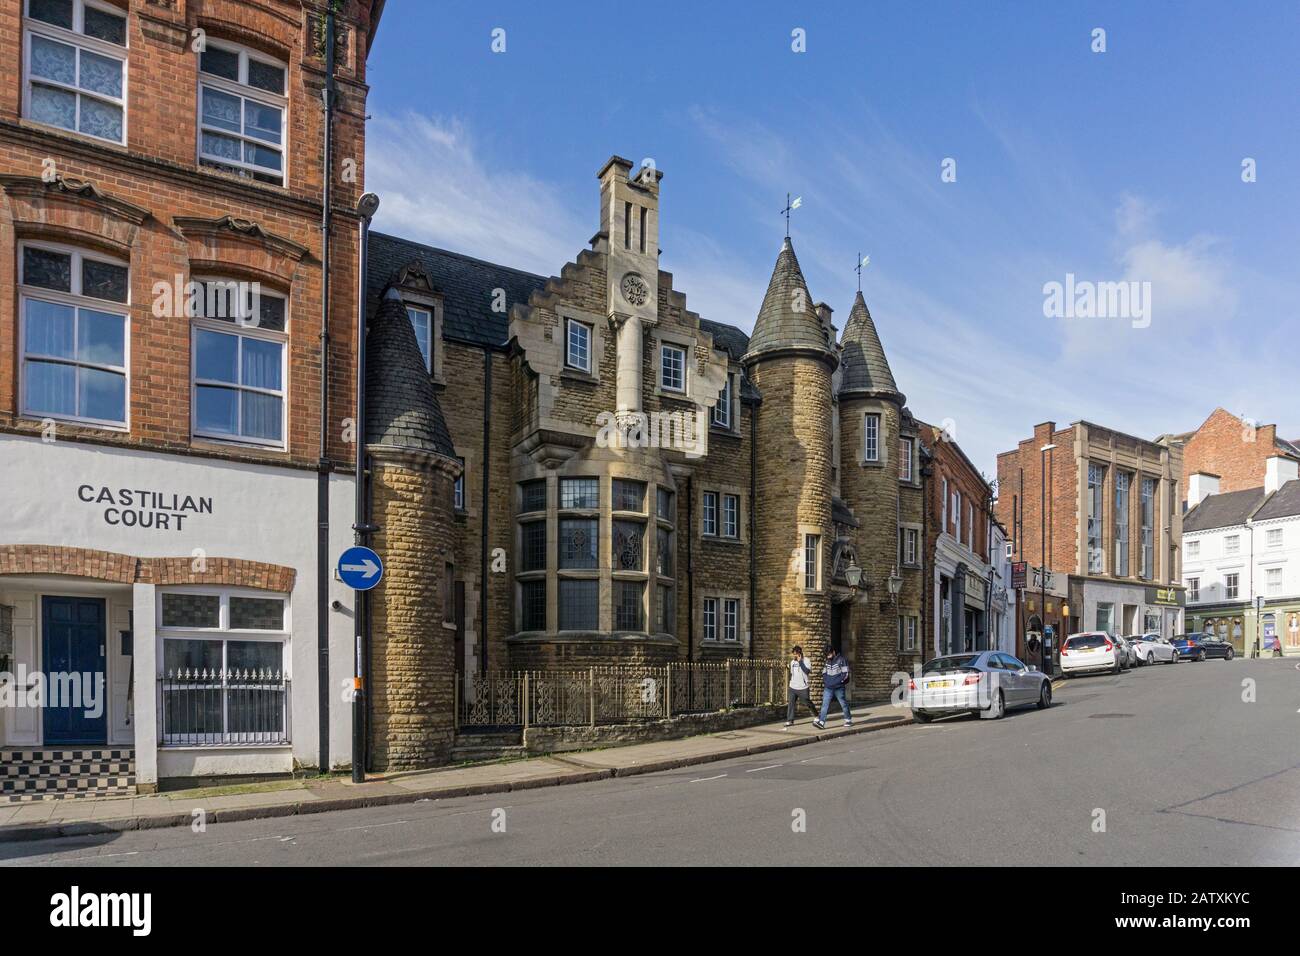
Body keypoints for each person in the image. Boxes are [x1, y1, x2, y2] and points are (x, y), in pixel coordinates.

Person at [814, 646, 852, 728]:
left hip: (839, 687)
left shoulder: (841, 660)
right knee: (825, 704)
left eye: (829, 654)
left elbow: (846, 673)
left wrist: (839, 682)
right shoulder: (827, 661)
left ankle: (848, 720)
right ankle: (821, 722)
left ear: (833, 652)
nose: (828, 656)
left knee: (843, 704)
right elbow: (824, 672)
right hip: (828, 687)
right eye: (826, 654)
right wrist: (826, 681)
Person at [785, 645, 816, 728]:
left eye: (796, 654)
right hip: (793, 687)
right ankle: (790, 720)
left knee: (807, 702)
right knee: (791, 703)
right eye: (793, 654)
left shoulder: (806, 661)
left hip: (803, 687)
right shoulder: (792, 662)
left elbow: (806, 671)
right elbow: (792, 673)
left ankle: (816, 715)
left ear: (800, 653)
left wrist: (800, 662)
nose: (794, 656)